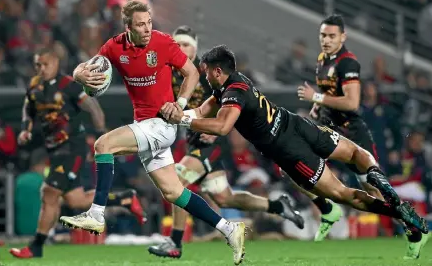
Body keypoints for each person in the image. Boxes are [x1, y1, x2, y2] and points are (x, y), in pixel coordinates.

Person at [160, 45, 429, 249]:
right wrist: (179, 111)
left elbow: (221, 127)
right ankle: (383, 185)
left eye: (206, 71)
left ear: (217, 70)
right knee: (358, 154)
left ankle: (399, 212)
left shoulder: (232, 93)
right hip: (297, 124)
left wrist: (181, 120)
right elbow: (201, 112)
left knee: (343, 194)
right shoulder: (235, 82)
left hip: (289, 151)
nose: (204, 76)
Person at [58, 1, 247, 265]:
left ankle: (97, 213)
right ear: (128, 27)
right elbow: (85, 66)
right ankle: (230, 229)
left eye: (148, 22)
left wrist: (179, 104)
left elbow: (192, 73)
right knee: (174, 192)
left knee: (103, 145)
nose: (147, 29)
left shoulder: (163, 43)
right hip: (145, 124)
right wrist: (80, 75)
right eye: (140, 25)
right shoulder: (114, 47)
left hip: (162, 124)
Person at [148, 26, 303, 259]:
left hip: (211, 142)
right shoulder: (170, 73)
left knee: (176, 182)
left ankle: (175, 242)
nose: (182, 49)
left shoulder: (206, 72)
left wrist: (217, 132)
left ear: (196, 47)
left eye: (187, 44)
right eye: (177, 45)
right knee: (225, 197)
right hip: (194, 141)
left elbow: (230, 103)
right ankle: (278, 206)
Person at [297, 14, 429, 259]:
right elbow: (328, 94)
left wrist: (315, 98)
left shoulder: (348, 64)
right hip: (330, 131)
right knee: (292, 162)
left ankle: (413, 228)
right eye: (323, 35)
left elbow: (351, 102)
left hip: (352, 134)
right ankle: (327, 208)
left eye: (332, 36)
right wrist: (317, 108)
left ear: (343, 37)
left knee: (375, 195)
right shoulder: (322, 61)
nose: (326, 40)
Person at [10, 48, 145, 259]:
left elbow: (94, 108)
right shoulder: (35, 87)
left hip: (72, 148)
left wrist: (101, 135)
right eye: (38, 65)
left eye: (45, 64)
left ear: (55, 63)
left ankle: (36, 246)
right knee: (76, 200)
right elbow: (28, 108)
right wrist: (26, 129)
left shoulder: (68, 86)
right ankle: (124, 199)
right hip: (54, 150)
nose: (41, 69)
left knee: (49, 192)